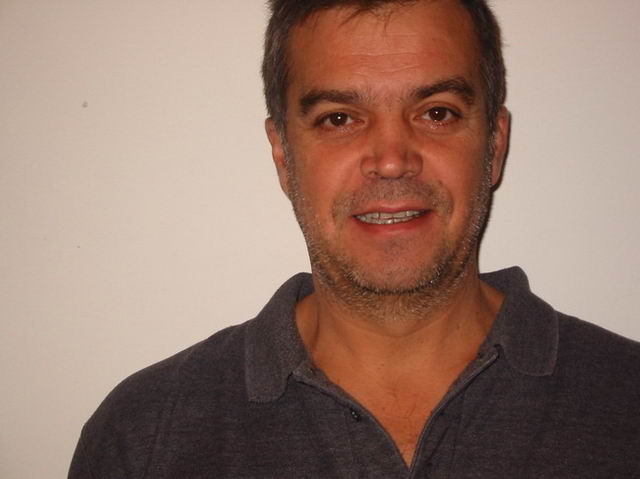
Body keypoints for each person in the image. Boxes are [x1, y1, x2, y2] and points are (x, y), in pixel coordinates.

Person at [69, 0, 640, 477]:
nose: (391, 161)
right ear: (283, 157)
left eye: (437, 113)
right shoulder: (143, 436)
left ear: (494, 145)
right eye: (339, 118)